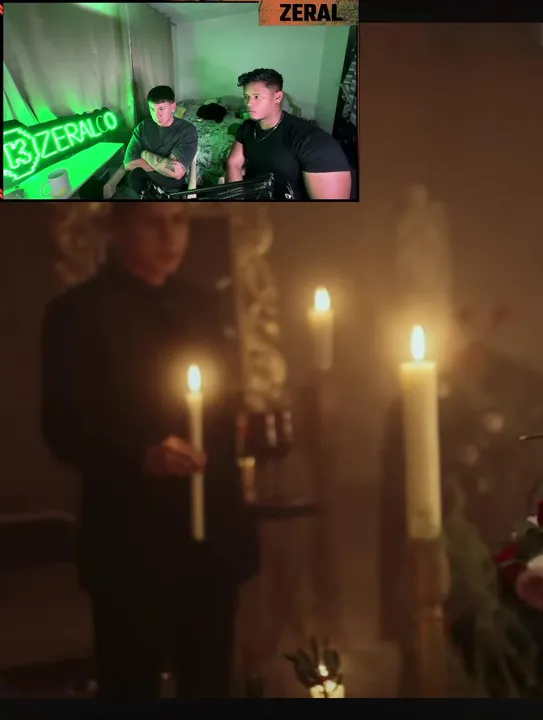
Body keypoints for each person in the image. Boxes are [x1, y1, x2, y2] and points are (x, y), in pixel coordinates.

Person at [40, 204, 259, 699]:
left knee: (210, 684)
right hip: (130, 545)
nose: (170, 236)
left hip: (210, 543)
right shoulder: (77, 313)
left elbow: (223, 412)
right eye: (153, 222)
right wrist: (142, 455)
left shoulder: (205, 307)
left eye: (179, 221)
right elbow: (63, 427)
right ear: (118, 226)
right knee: (130, 684)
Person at [224, 68, 351, 200]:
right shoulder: (247, 128)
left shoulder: (312, 141)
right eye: (246, 97)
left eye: (256, 96)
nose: (249, 103)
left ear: (278, 97)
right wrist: (236, 198)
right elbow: (233, 163)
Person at [103, 86, 198, 199]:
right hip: (135, 188)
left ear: (173, 107)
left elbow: (177, 172)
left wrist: (144, 154)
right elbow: (129, 163)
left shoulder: (187, 131)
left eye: (161, 108)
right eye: (152, 109)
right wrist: (165, 165)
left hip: (167, 193)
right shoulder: (142, 127)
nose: (156, 115)